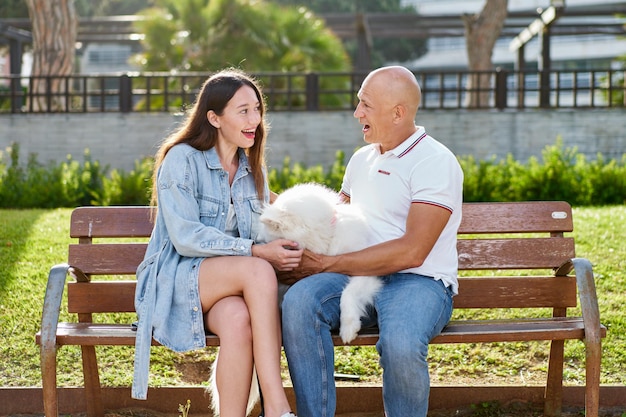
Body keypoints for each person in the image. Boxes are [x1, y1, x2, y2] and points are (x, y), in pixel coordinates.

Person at [280, 66, 464, 417]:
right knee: (300, 302)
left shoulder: (436, 162)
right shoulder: (361, 159)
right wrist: (283, 211)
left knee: (400, 343)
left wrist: (325, 265)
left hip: (419, 281)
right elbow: (338, 220)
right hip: (357, 276)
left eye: (365, 105)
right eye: (358, 103)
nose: (356, 113)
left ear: (398, 113)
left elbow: (413, 251)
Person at [131, 68, 301, 417]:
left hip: (227, 287)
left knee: (239, 320)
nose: (254, 119)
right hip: (175, 279)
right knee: (257, 271)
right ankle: (277, 405)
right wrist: (254, 251)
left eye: (257, 109)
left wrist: (318, 218)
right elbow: (185, 237)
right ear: (214, 117)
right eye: (243, 111)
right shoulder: (181, 160)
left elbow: (269, 218)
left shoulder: (251, 167)